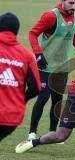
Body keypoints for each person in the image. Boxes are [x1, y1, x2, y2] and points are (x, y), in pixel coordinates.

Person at [27, 0, 75, 141]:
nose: (73, 7)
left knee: (57, 101)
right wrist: (38, 54)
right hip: (45, 66)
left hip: (62, 68)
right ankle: (31, 132)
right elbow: (32, 33)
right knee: (43, 97)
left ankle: (52, 133)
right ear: (62, 1)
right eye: (70, 3)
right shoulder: (50, 16)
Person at [0, 12, 41, 141]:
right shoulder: (27, 55)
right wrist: (21, 100)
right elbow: (35, 88)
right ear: (16, 31)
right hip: (11, 117)